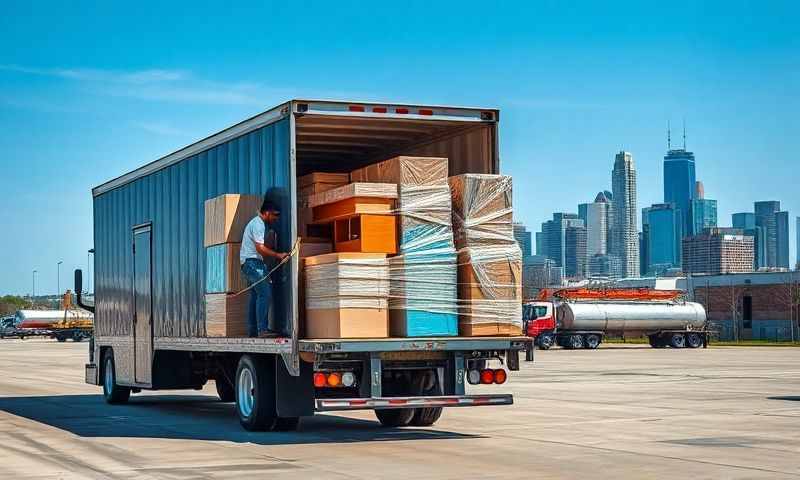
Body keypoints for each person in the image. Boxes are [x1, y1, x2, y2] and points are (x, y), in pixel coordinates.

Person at [240, 198, 288, 338]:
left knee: (255, 296)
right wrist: (278, 255)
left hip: (250, 263)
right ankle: (262, 330)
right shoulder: (258, 224)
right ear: (266, 213)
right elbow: (260, 248)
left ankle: (253, 330)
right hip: (252, 264)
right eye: (274, 215)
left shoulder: (258, 224)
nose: (275, 218)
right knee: (265, 294)